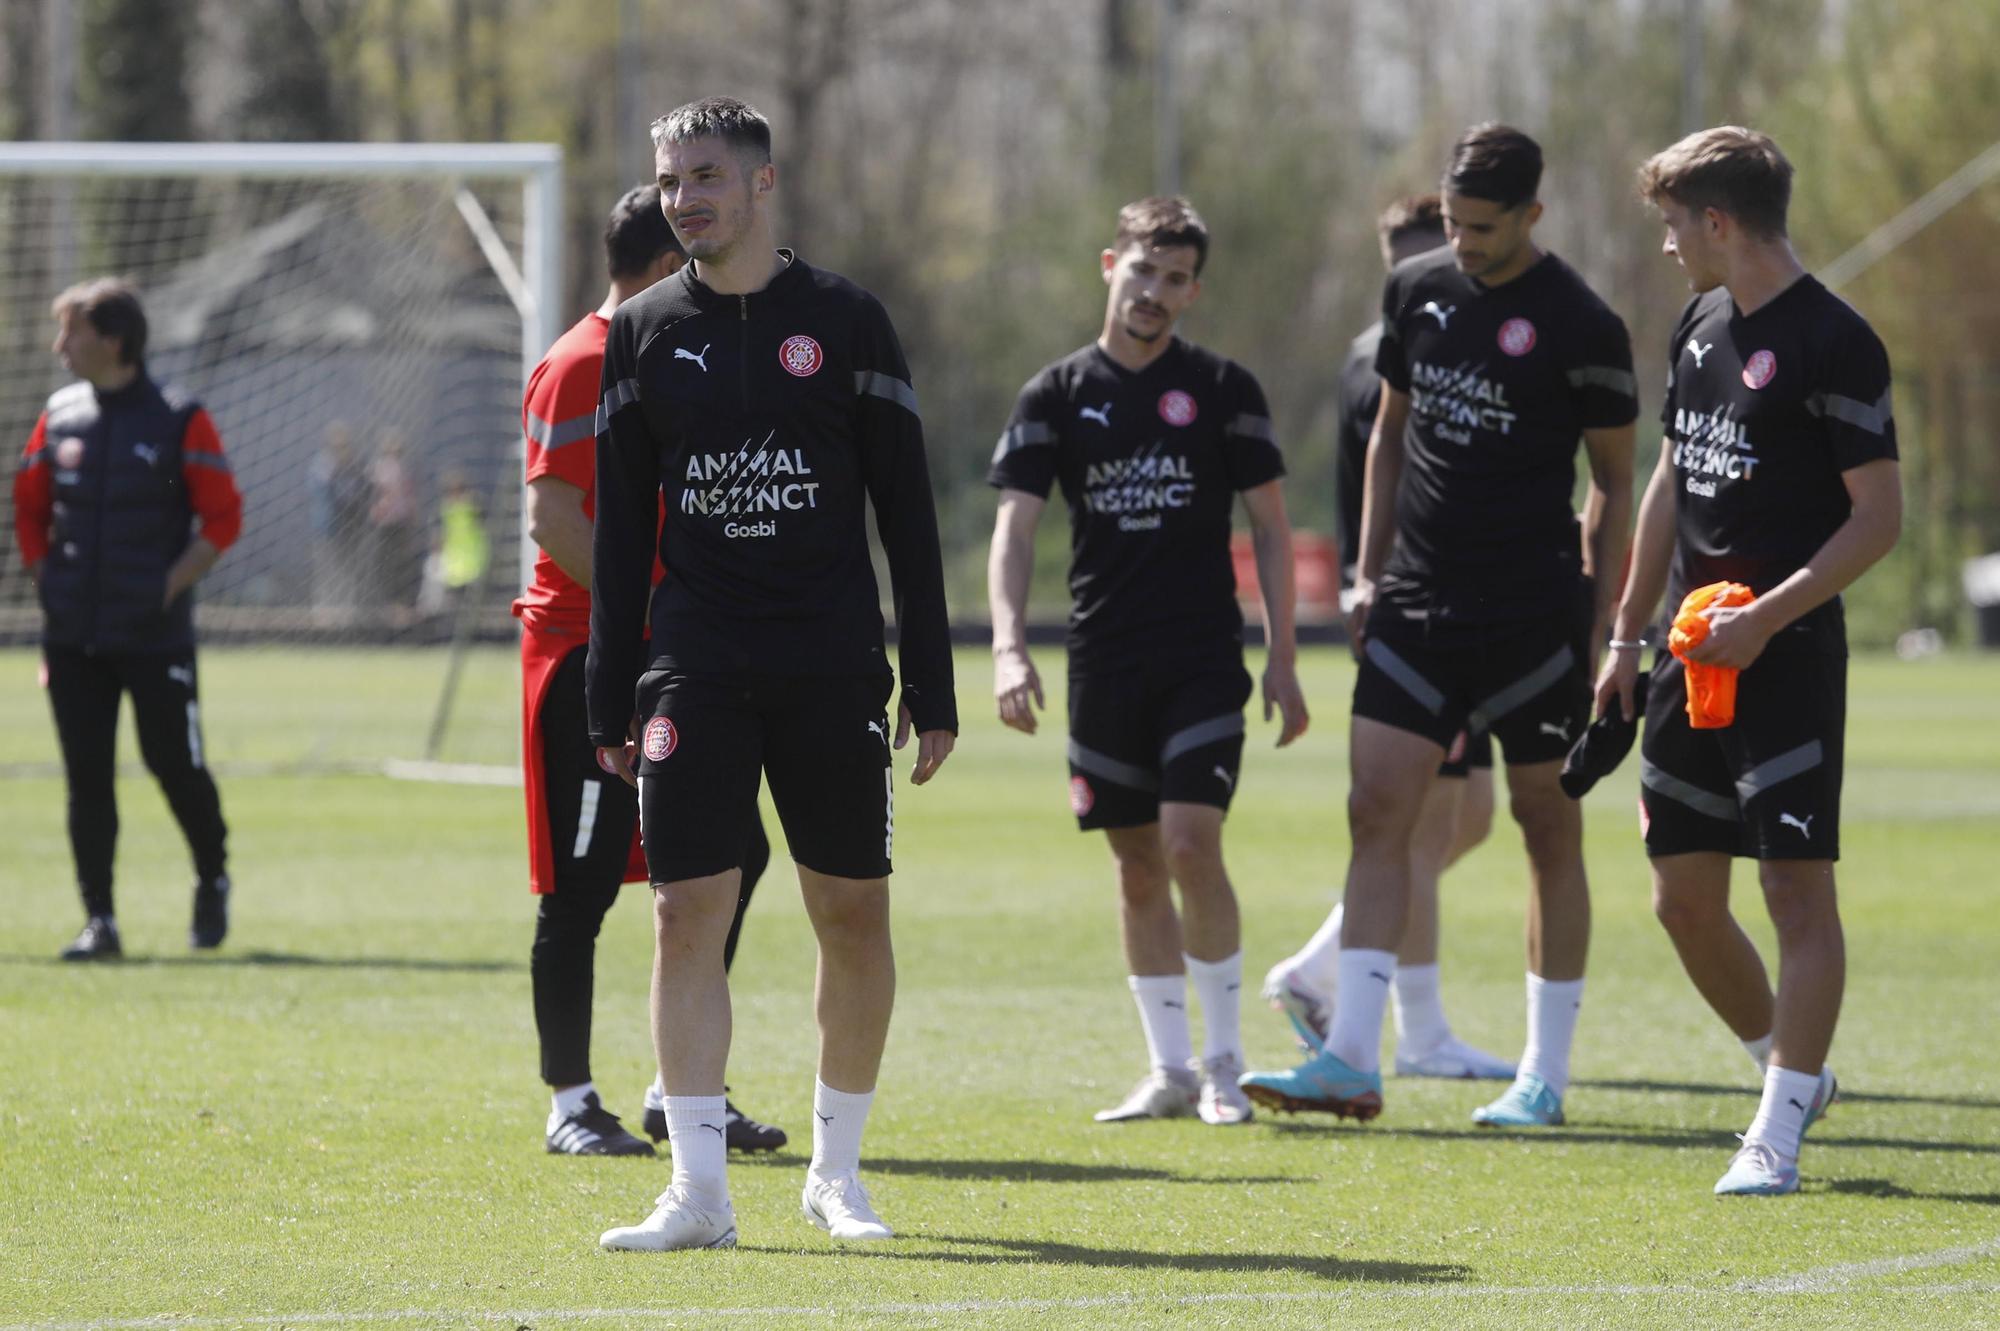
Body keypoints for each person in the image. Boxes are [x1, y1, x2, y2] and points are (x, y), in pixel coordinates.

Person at [588, 97, 956, 1251]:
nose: (683, 195)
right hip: (692, 665)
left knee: (848, 913)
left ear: (762, 182)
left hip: (829, 666)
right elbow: (614, 535)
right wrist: (610, 689)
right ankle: (697, 1191)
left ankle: (834, 1173)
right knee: (682, 913)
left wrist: (931, 684)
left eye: (705, 174)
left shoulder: (846, 321)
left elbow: (906, 510)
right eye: (667, 180)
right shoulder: (640, 331)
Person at [1241, 124, 1636, 1128]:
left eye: (1480, 228)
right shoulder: (1415, 292)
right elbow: (1387, 435)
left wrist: (1600, 622)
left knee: (1546, 826)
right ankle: (1346, 1059)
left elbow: (1615, 484)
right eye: (1451, 222)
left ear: (1531, 217)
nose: (1458, 242)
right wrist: (1368, 573)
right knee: (1377, 811)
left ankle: (1541, 1075)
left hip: (1532, 617)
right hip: (1414, 605)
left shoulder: (1582, 325)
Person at [1602, 126, 1899, 1196]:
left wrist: (1767, 617)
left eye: (1673, 225)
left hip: (1787, 652)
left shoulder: (1834, 341)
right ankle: (1791, 1069)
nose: (1668, 246)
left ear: (1716, 221)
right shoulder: (1695, 323)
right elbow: (1670, 481)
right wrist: (1625, 632)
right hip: (1689, 653)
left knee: (1790, 888)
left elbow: (1877, 519)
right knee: (1679, 898)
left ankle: (1771, 1134)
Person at [987, 196, 1309, 1129]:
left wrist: (1283, 655)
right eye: (1143, 271)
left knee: (1187, 841)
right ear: (1109, 266)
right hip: (1102, 662)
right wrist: (1009, 645)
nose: (1156, 292)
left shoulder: (1222, 387)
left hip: (1203, 658)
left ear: (1193, 291)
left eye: (1175, 279)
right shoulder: (1054, 393)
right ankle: (1168, 1067)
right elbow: (1015, 527)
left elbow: (1274, 529)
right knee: (1135, 864)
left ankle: (1222, 1064)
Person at [511, 184, 785, 1160]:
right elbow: (551, 516)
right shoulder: (580, 360)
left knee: (732, 855)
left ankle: (681, 1086)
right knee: (579, 888)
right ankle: (570, 1101)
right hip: (590, 651)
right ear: (663, 260)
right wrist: (643, 612)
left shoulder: (669, 354)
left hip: (676, 652)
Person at [1257, 194, 1511, 1082]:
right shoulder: (1389, 357)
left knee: (1462, 817)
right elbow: (1398, 481)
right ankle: (1416, 1025)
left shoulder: (1404, 343)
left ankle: (1330, 967)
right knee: (1420, 827)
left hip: (1449, 610)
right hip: (1422, 614)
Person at [11, 277, 243, 960]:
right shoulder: (58, 416)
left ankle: (211, 873)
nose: (59, 347)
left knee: (173, 763)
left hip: (154, 635)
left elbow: (224, 516)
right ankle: (100, 921)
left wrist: (170, 583)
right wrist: (44, 574)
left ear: (112, 340)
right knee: (87, 776)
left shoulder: (179, 416)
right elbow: (28, 506)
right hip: (74, 635)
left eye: (71, 332)